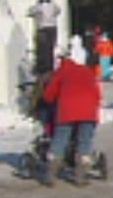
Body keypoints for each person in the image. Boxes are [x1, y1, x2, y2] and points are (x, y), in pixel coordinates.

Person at [41, 51, 101, 186]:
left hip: (67, 111)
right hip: (88, 111)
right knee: (84, 141)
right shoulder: (87, 71)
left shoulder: (61, 73)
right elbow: (97, 94)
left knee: (60, 139)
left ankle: (51, 174)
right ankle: (81, 176)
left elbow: (48, 96)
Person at [27, 0, 61, 77]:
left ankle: (42, 69)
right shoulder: (53, 6)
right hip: (53, 29)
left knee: (41, 49)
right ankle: (49, 68)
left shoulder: (38, 6)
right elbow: (59, 10)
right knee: (50, 49)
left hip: (42, 29)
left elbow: (30, 11)